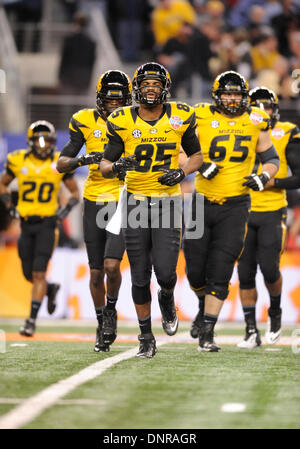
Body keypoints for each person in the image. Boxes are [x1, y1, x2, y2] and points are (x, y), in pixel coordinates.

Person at [100, 62, 203, 358]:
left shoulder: (180, 116)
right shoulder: (121, 120)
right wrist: (117, 166)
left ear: (165, 89)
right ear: (137, 89)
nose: (150, 89)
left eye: (156, 85)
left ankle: (167, 296)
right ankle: (146, 336)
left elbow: (196, 156)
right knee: (139, 275)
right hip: (134, 202)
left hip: (167, 202)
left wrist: (182, 174)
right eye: (145, 84)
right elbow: (106, 164)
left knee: (167, 273)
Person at [183, 70, 280, 352]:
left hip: (236, 206)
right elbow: (179, 150)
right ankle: (203, 308)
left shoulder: (255, 120)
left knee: (222, 270)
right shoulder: (200, 115)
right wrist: (200, 165)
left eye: (237, 94)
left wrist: (263, 176)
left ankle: (208, 333)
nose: (232, 99)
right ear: (217, 95)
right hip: (201, 203)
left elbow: (270, 157)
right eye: (227, 93)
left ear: (245, 97)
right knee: (194, 273)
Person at [56, 70, 132, 353]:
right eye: (110, 99)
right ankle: (102, 322)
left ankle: (110, 312)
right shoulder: (84, 120)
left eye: (119, 99)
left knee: (113, 266)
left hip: (123, 200)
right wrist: (82, 160)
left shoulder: (136, 120)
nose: (114, 104)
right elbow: (61, 163)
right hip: (94, 200)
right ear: (100, 99)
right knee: (97, 272)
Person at [0, 121, 80, 336]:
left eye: (49, 141)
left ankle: (31, 321)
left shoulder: (58, 163)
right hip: (26, 225)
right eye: (41, 140)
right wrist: (10, 205)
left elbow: (74, 194)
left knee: (38, 272)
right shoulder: (17, 160)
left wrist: (62, 213)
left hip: (47, 224)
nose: (45, 145)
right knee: (28, 274)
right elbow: (3, 184)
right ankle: (51, 288)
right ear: (31, 141)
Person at [237, 87, 300, 348]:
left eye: (268, 107)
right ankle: (251, 330)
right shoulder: (236, 127)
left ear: (276, 109)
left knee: (270, 268)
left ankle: (275, 312)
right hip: (240, 209)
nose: (264, 113)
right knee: (245, 273)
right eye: (258, 107)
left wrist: (271, 182)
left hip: (273, 209)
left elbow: (299, 176)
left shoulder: (287, 132)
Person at [58, 11, 96, 95]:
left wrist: (60, 77)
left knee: (69, 105)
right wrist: (88, 80)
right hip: (83, 79)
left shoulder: (69, 40)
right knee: (80, 106)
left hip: (69, 79)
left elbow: (64, 60)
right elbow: (91, 63)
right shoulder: (91, 42)